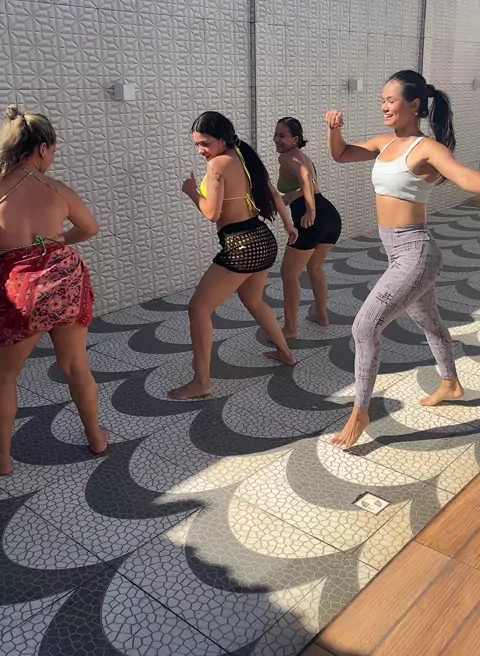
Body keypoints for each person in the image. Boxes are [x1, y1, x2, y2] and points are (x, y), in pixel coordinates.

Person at [326, 69, 480, 448]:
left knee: (365, 327)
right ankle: (451, 383)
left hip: (416, 253)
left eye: (391, 100)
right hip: (397, 253)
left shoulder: (427, 149)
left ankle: (360, 412)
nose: (384, 106)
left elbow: (466, 179)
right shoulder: (384, 144)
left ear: (414, 105)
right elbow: (341, 154)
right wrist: (334, 130)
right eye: (382, 100)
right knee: (429, 321)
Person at [0, 105, 107, 475]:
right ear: (42, 148)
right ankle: (96, 437)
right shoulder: (57, 189)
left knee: (5, 376)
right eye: (54, 151)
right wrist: (57, 241)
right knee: (76, 366)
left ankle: (3, 459)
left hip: (20, 286)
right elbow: (89, 228)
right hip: (64, 280)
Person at [168, 111, 299, 401]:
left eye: (205, 143)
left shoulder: (218, 164)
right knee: (254, 300)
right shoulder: (242, 156)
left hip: (242, 245)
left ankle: (201, 382)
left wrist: (191, 191)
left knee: (198, 309)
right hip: (262, 239)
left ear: (223, 140)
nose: (201, 150)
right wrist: (288, 225)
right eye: (196, 144)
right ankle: (286, 353)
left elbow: (212, 213)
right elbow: (272, 193)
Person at [274, 117, 341, 337]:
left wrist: (310, 210)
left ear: (295, 139)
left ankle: (290, 329)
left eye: (282, 136)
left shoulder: (286, 157)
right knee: (315, 267)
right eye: (275, 135)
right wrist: (292, 196)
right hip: (330, 216)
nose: (277, 140)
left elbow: (304, 176)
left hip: (311, 219)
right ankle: (321, 315)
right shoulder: (303, 157)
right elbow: (310, 184)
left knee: (289, 274)